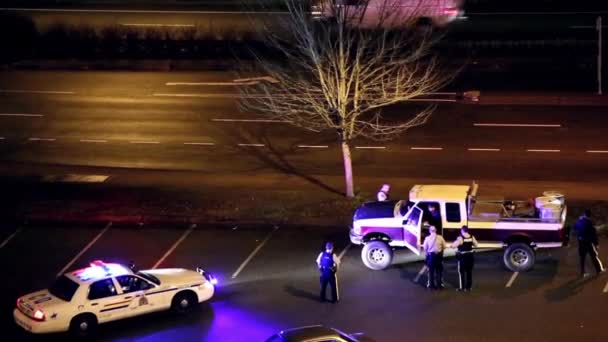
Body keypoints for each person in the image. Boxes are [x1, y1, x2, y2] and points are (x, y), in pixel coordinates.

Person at [574, 209, 605, 277]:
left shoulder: (580, 221)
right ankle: (599, 270)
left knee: (582, 258)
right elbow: (593, 234)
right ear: (590, 215)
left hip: (581, 242)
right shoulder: (590, 223)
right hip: (588, 243)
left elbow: (575, 228)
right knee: (594, 256)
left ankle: (582, 273)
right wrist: (596, 244)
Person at [451, 225, 478, 292]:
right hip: (470, 256)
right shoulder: (472, 237)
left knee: (461, 272)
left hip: (463, 257)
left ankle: (462, 287)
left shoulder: (460, 238)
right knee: (469, 272)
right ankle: (469, 287)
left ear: (462, 230)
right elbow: (476, 245)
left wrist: (452, 245)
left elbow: (453, 246)